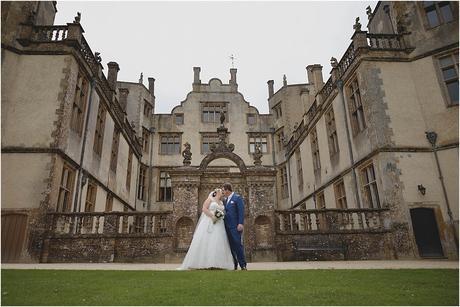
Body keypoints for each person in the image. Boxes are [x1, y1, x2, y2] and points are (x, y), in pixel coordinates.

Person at [178, 188, 234, 270]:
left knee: (217, 241)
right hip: (209, 221)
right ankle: (202, 263)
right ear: (217, 192)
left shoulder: (222, 202)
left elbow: (223, 212)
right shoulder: (210, 199)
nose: (222, 193)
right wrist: (212, 216)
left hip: (219, 224)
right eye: (221, 192)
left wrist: (220, 216)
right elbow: (204, 208)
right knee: (206, 240)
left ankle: (216, 263)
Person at [222, 182, 247, 270]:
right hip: (227, 226)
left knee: (237, 244)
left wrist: (240, 223)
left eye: (223, 190)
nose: (223, 192)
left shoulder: (237, 198)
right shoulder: (225, 200)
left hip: (235, 226)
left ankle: (243, 264)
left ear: (227, 190)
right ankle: (234, 264)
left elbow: (241, 211)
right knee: (230, 246)